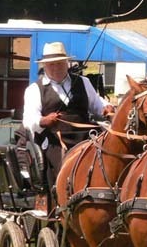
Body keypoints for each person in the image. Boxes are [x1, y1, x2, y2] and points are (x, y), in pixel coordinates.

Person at [22, 41, 114, 192]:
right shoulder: (34, 89)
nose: (56, 68)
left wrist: (106, 108)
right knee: (64, 168)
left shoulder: (83, 82)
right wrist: (43, 120)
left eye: (60, 63)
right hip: (56, 140)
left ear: (67, 63)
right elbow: (29, 119)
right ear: (44, 66)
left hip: (87, 136)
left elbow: (97, 104)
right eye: (51, 64)